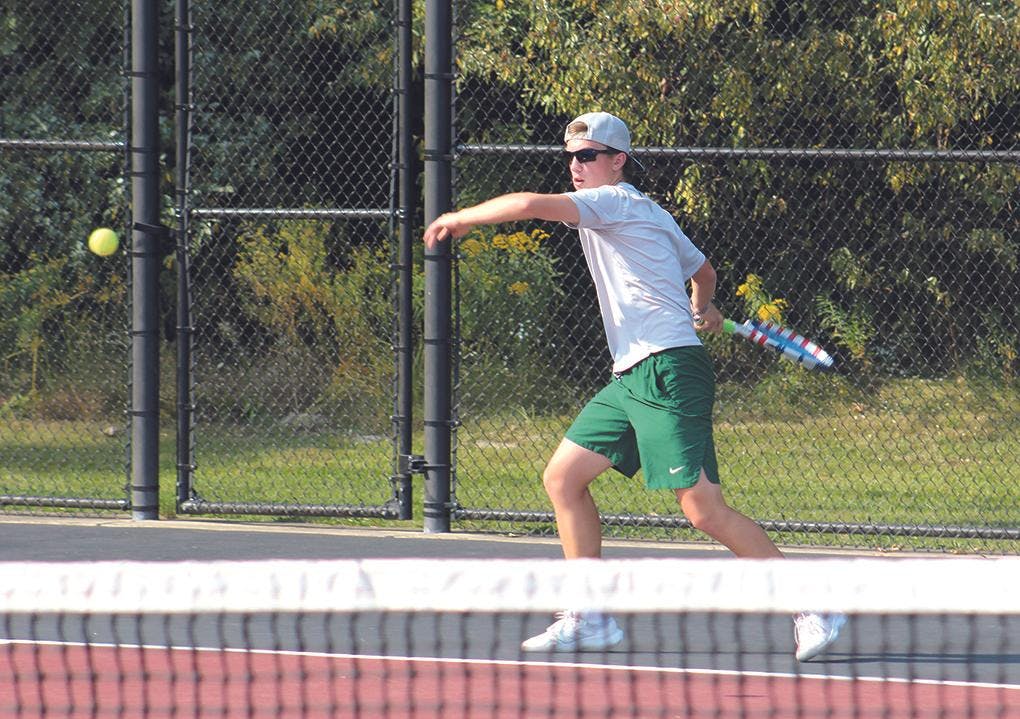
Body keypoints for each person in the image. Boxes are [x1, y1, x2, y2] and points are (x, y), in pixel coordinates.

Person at [423, 111, 845, 662]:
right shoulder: (654, 212)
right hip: (633, 373)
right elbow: (705, 272)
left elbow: (529, 205)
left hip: (668, 370)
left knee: (703, 510)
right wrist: (702, 306)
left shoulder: (615, 201)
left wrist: (460, 217)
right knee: (563, 478)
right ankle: (590, 614)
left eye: (588, 156)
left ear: (617, 160)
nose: (576, 166)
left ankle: (810, 606)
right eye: (571, 157)